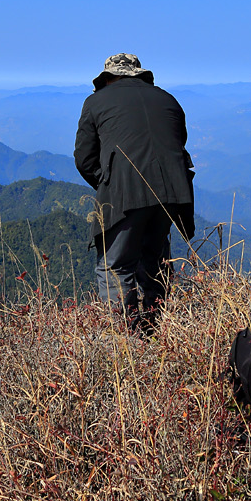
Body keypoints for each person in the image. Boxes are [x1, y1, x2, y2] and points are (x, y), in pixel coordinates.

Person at [74, 53, 195, 332]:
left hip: (124, 194)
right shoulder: (167, 99)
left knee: (115, 268)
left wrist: (108, 182)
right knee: (155, 261)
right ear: (139, 74)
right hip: (172, 194)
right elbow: (178, 142)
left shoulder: (95, 102)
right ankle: (156, 330)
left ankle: (124, 344)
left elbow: (84, 158)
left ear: (108, 77)